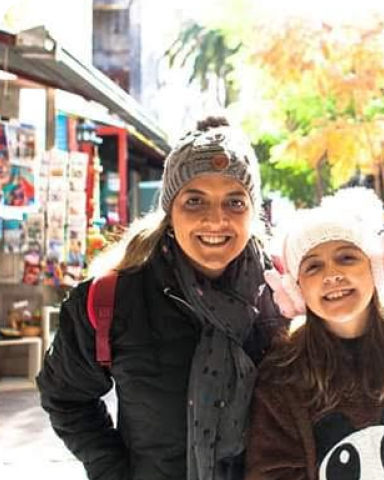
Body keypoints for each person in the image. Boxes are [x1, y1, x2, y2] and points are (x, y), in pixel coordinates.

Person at [37, 115, 287, 480]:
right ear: (170, 212)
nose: (215, 220)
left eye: (234, 202)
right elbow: (66, 396)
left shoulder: (286, 295)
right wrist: (114, 471)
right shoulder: (113, 299)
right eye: (195, 201)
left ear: (253, 212)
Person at [245, 187, 384, 480]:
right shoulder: (283, 373)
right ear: (297, 288)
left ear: (375, 267)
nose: (332, 275)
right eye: (313, 266)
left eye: (346, 258)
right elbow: (271, 472)